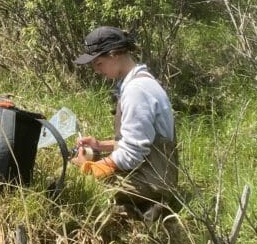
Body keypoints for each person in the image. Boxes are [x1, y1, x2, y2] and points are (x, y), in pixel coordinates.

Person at [71, 26, 178, 213]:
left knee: (79, 186)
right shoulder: (139, 83)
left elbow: (132, 155)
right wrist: (99, 145)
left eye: (98, 64)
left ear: (114, 55)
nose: (97, 71)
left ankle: (147, 209)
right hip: (152, 172)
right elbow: (141, 142)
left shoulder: (137, 90)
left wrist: (89, 168)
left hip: (152, 180)